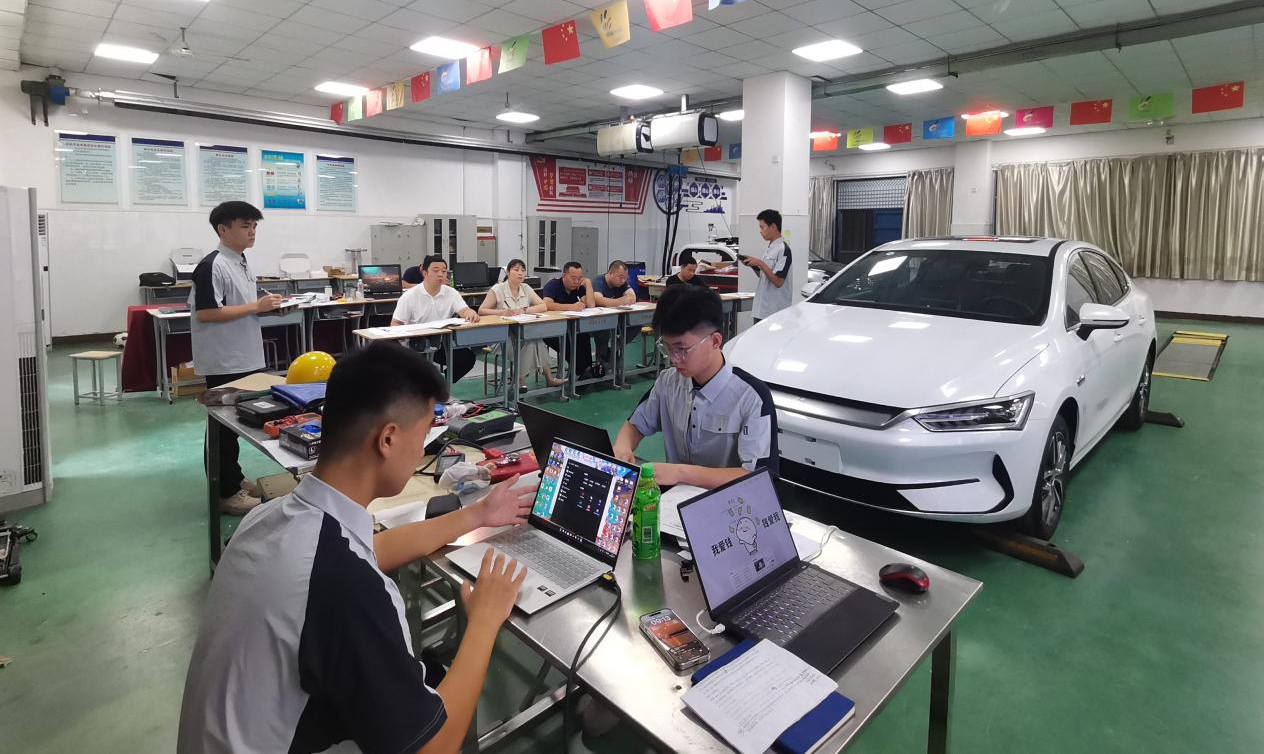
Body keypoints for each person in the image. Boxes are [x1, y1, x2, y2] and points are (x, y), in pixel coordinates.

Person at [177, 343, 534, 753]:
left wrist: (476, 515)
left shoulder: (272, 518)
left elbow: (371, 549)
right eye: (423, 436)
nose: (423, 451)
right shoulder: (345, 585)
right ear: (388, 439)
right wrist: (484, 621)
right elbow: (433, 749)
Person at [613, 285, 778, 489]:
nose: (674, 359)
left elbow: (758, 477)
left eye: (682, 349)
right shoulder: (668, 382)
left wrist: (681, 473)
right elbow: (636, 425)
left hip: (729, 502)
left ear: (715, 341)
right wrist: (623, 446)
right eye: (667, 348)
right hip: (674, 499)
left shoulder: (752, 397)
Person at [191, 201, 283, 516]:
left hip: (244, 356)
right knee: (223, 427)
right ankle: (225, 493)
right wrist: (257, 307)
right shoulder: (212, 265)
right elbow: (206, 312)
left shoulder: (240, 261)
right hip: (224, 360)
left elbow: (238, 305)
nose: (252, 232)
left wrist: (265, 308)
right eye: (245, 226)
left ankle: (233, 477)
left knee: (237, 424)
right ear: (223, 229)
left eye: (254, 226)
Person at [392, 255, 481, 382]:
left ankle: (441, 384)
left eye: (444, 271)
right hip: (415, 345)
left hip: (440, 343)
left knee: (466, 359)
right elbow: (395, 324)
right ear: (425, 273)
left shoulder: (451, 293)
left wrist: (470, 313)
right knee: (420, 372)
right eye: (435, 270)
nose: (440, 274)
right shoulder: (409, 296)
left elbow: (464, 310)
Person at [479, 258, 565, 390]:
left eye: (523, 270)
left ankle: (521, 380)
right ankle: (545, 378)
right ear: (508, 272)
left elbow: (543, 306)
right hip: (502, 338)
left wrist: (525, 310)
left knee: (534, 340)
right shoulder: (497, 289)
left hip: (523, 333)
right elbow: (481, 311)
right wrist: (502, 312)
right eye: (516, 270)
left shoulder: (526, 288)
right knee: (533, 341)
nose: (520, 273)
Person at [541, 261, 596, 378]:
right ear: (564, 275)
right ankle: (581, 372)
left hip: (572, 327)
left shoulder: (578, 288)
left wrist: (588, 283)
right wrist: (571, 307)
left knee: (583, 336)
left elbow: (591, 305)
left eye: (579, 278)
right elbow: (547, 304)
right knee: (570, 342)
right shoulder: (553, 285)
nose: (576, 282)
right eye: (573, 278)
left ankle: (587, 370)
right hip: (551, 329)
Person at [742, 209, 792, 322]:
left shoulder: (783, 250)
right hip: (761, 309)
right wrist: (753, 265)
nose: (760, 231)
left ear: (773, 226)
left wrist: (760, 263)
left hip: (774, 311)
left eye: (762, 227)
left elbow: (778, 282)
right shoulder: (770, 249)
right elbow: (765, 276)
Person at [592, 260, 638, 365]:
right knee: (603, 332)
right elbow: (599, 300)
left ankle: (616, 345)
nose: (623, 280)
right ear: (610, 273)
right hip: (599, 321)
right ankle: (602, 361)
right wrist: (621, 301)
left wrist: (613, 302)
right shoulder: (598, 281)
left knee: (637, 324)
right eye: (620, 277)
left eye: (625, 278)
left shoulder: (622, 283)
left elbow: (632, 297)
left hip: (617, 319)